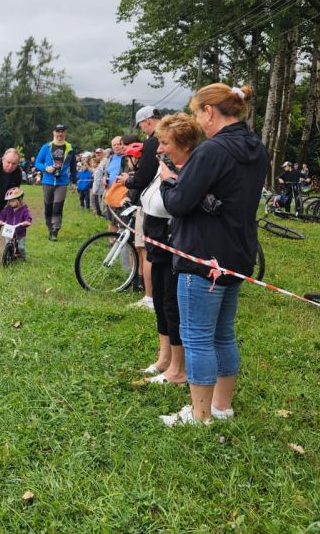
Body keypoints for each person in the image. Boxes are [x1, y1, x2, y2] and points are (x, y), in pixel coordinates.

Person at [158, 84, 268, 426]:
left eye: (196, 113)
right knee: (223, 333)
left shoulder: (211, 150)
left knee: (197, 336)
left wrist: (168, 181)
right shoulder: (256, 148)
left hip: (202, 256)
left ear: (209, 111)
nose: (196, 120)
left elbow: (179, 203)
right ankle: (222, 405)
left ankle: (200, 413)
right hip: (238, 251)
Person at [139, 113, 202, 385]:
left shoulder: (188, 170)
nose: (160, 148)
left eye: (165, 143)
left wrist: (168, 180)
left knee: (171, 304)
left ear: (183, 144)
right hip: (156, 237)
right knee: (161, 300)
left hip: (172, 240)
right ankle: (164, 357)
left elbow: (178, 202)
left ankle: (178, 367)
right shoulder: (166, 164)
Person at [124, 105, 162, 310]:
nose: (141, 130)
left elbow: (144, 176)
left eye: (141, 126)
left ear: (148, 121)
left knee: (146, 250)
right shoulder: (171, 135)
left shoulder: (152, 142)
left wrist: (128, 181)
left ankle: (150, 297)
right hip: (168, 200)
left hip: (150, 202)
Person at [34, 124, 77, 241]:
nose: (60, 134)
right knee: (48, 206)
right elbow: (37, 163)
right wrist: (45, 168)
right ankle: (49, 227)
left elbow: (73, 167)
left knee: (58, 206)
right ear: (54, 133)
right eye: (58, 131)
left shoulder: (70, 148)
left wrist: (74, 182)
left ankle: (55, 230)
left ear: (65, 133)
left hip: (62, 182)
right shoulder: (46, 147)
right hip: (48, 181)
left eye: (62, 131)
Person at [0, 186, 33, 260]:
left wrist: (27, 221)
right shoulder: (7, 209)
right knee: (7, 244)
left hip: (20, 232)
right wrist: (0, 220)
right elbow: (2, 215)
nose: (10, 203)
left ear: (19, 200)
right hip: (9, 230)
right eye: (9, 201)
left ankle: (22, 258)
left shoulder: (24, 209)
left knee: (21, 247)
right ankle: (8, 256)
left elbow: (28, 217)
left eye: (13, 201)